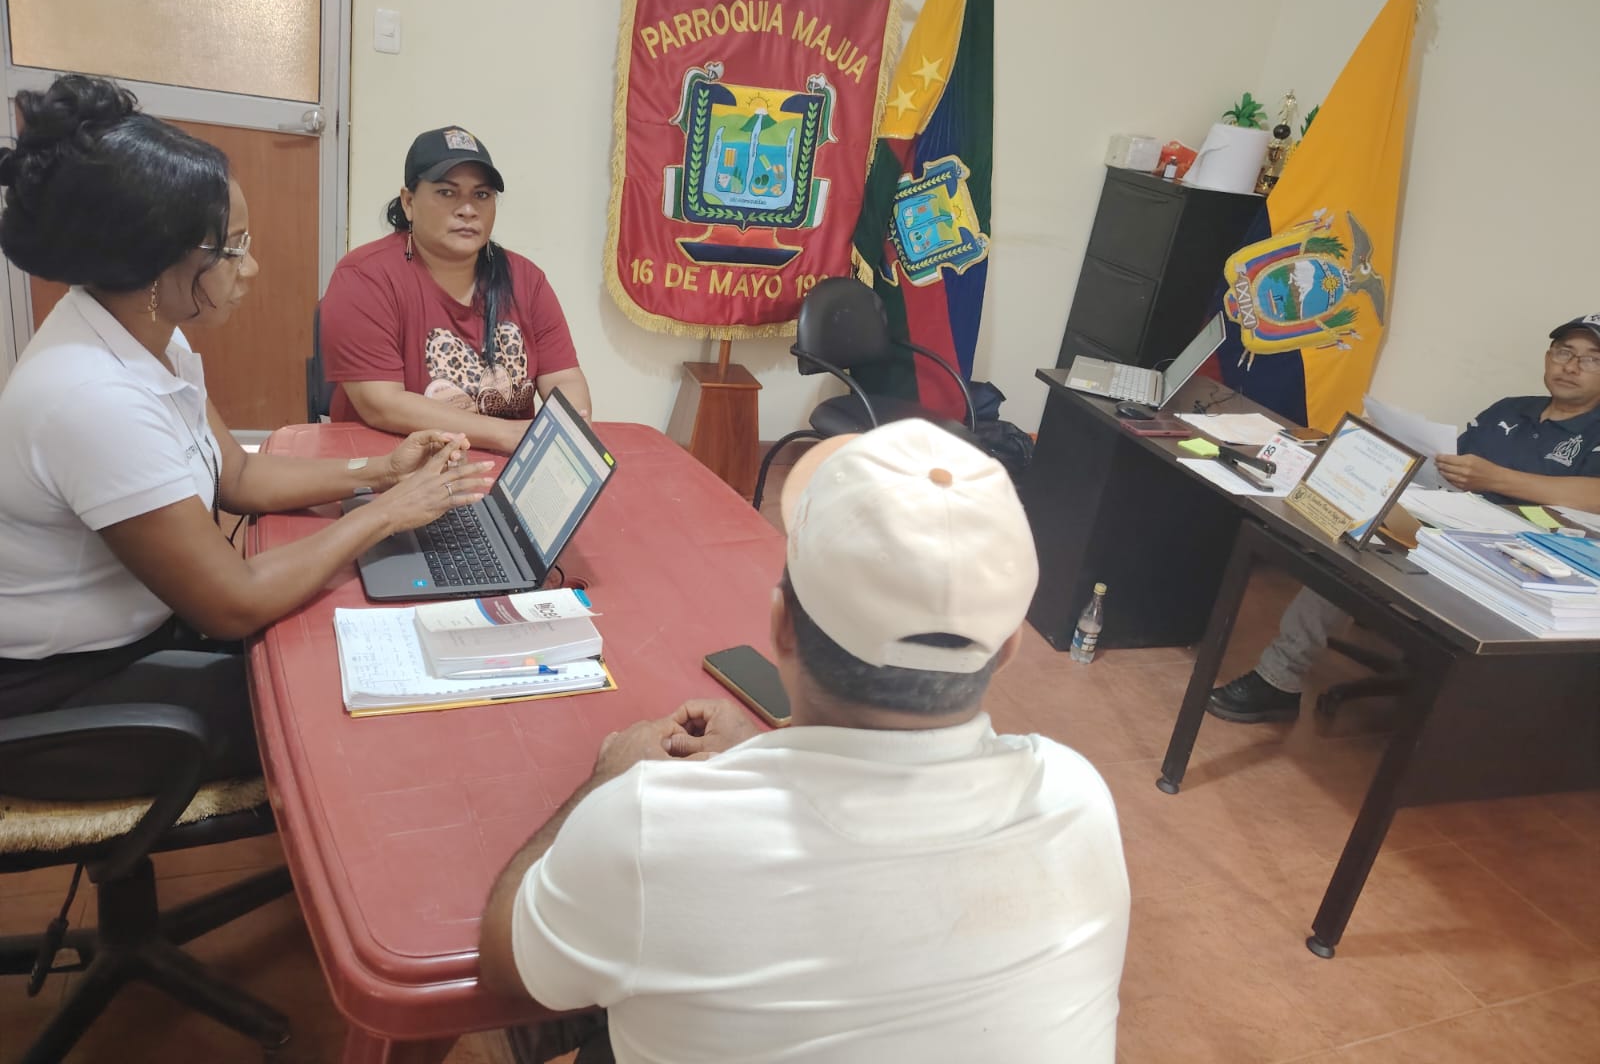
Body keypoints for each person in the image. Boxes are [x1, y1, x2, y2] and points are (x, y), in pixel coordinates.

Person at [478, 420, 1131, 1064]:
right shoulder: (1076, 800)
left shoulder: (651, 826)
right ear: (1008, 647)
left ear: (780, 626)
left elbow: (508, 964)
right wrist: (769, 748)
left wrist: (605, 782)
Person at [0, 75, 494, 799]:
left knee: (340, 632)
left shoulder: (146, 337)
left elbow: (238, 475)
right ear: (156, 260)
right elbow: (231, 600)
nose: (251, 268)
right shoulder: (92, 397)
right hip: (66, 695)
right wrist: (389, 514)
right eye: (232, 250)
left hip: (143, 631)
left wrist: (382, 470)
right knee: (344, 694)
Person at [1209, 313, 1600, 722]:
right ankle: (1279, 679)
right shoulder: (1511, 409)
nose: (1571, 366)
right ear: (1548, 356)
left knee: (1365, 545)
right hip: (1439, 532)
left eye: (1591, 359)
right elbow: (1447, 468)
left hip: (1514, 566)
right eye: (1564, 352)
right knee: (1354, 529)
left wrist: (1497, 479)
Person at [319, 127, 590, 454]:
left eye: (482, 195)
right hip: (396, 466)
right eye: (447, 193)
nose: (468, 210)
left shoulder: (526, 280)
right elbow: (382, 403)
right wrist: (507, 435)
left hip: (511, 467)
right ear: (409, 202)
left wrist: (567, 432)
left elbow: (564, 379)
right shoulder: (365, 278)